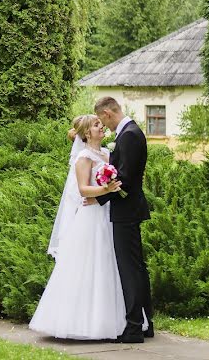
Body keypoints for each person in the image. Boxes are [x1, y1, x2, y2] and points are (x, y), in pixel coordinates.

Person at [29, 114, 127, 340]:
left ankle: (112, 321)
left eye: (101, 124)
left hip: (108, 214)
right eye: (96, 125)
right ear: (86, 133)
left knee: (108, 264)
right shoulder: (83, 157)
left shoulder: (107, 153)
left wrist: (107, 192)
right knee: (89, 265)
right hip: (91, 217)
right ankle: (81, 322)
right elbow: (83, 190)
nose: (101, 127)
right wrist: (107, 191)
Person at [85, 96, 153, 343]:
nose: (103, 126)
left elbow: (124, 177)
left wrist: (98, 198)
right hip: (127, 209)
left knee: (130, 269)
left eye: (101, 120)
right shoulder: (129, 133)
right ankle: (146, 323)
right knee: (136, 267)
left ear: (107, 113)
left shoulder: (130, 135)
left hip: (127, 210)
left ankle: (135, 328)